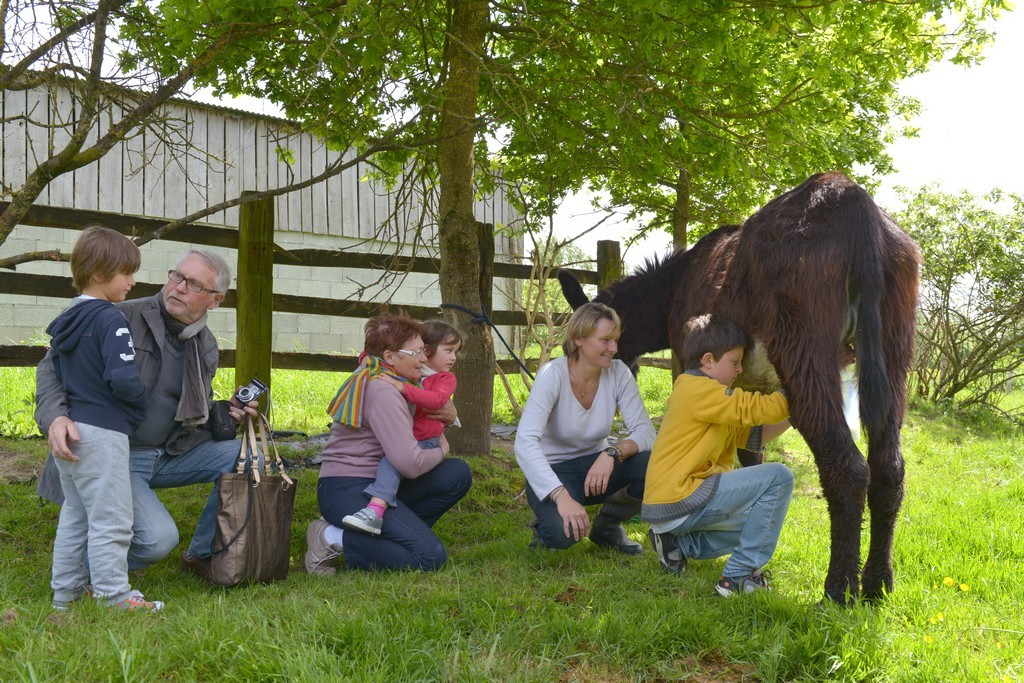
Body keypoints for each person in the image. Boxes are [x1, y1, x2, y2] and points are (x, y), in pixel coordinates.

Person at [36, 249, 257, 581]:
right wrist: (55, 416)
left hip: (170, 452)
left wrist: (226, 413)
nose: (179, 287)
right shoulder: (118, 316)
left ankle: (202, 555)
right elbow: (51, 368)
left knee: (249, 456)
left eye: (193, 284)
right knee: (156, 540)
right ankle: (84, 573)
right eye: (177, 276)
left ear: (215, 300)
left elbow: (184, 407)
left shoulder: (205, 344)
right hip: (116, 454)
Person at [45, 226, 161, 612]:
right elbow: (123, 378)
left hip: (73, 429)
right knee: (112, 520)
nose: (132, 281)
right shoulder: (111, 319)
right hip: (103, 433)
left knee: (75, 518)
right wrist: (139, 407)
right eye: (126, 273)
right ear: (98, 273)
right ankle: (115, 598)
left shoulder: (68, 319)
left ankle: (65, 596)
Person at [305, 313, 470, 574]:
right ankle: (331, 537)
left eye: (424, 350)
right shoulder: (384, 388)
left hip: (382, 482)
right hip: (348, 488)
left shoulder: (388, 373)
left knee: (456, 474)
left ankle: (390, 541)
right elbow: (410, 464)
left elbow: (428, 411)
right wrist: (442, 450)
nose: (424, 359)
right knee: (430, 557)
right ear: (390, 356)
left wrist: (449, 416)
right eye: (416, 353)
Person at [642, 314, 792, 597]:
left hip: (675, 503)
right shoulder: (696, 388)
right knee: (779, 477)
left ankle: (677, 546)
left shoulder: (709, 397)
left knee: (763, 521)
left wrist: (797, 412)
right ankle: (738, 577)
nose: (739, 370)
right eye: (735, 361)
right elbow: (756, 409)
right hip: (678, 496)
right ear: (708, 360)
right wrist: (800, 385)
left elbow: (753, 435)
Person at [514, 302, 656, 554]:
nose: (614, 348)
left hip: (597, 468)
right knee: (562, 534)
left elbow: (645, 432)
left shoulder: (619, 373)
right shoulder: (552, 375)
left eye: (615, 340)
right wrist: (560, 496)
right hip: (554, 471)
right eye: (605, 340)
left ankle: (607, 526)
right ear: (578, 339)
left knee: (656, 466)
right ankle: (544, 528)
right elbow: (525, 442)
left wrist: (612, 452)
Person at [342, 320, 463, 536]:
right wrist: (369, 359)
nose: (454, 357)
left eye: (455, 351)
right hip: (406, 443)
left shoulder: (441, 378)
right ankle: (380, 517)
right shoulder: (408, 371)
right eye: (448, 350)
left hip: (422, 440)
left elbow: (436, 400)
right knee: (393, 465)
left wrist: (404, 388)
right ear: (427, 349)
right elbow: (371, 357)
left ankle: (381, 513)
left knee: (394, 466)